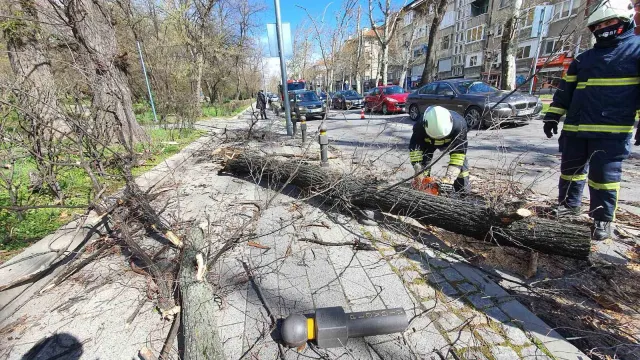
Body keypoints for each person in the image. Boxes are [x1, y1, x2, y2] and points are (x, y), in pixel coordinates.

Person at [542, 0, 640, 241]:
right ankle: (568, 207)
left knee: (604, 179)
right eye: (599, 24)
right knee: (570, 173)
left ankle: (603, 219)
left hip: (610, 132)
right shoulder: (583, 59)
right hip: (575, 129)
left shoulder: (636, 52)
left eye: (609, 22)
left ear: (625, 21)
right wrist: (553, 115)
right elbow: (565, 91)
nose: (603, 27)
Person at [409, 106, 470, 194]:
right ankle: (425, 192)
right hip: (428, 144)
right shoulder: (419, 126)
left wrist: (449, 178)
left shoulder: (460, 125)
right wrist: (418, 171)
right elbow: (415, 150)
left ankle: (462, 194)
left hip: (451, 143)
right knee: (423, 167)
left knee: (461, 170)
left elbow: (459, 154)